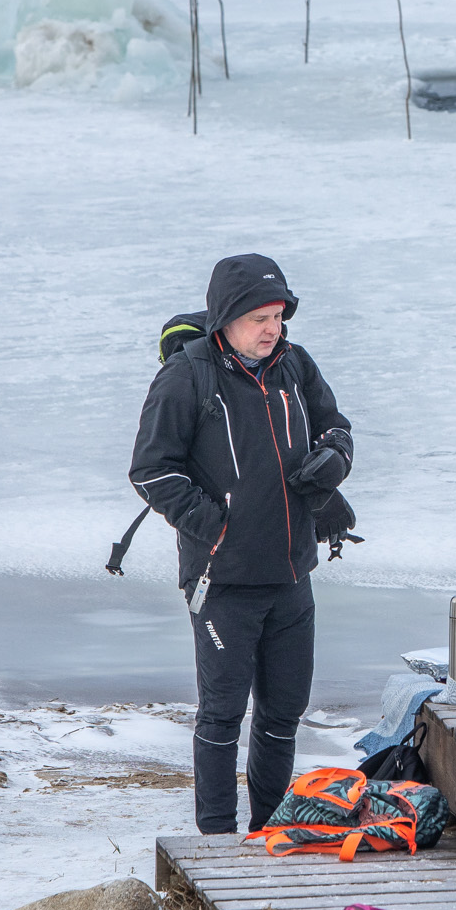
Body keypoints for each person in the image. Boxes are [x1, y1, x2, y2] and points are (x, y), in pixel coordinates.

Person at [130, 255, 353, 835]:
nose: (271, 328)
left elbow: (337, 427)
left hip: (291, 575)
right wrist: (219, 526)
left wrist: (335, 459)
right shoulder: (188, 375)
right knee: (223, 716)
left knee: (283, 715)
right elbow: (151, 470)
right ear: (225, 317)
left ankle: (271, 829)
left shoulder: (296, 364)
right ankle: (216, 840)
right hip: (223, 580)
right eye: (259, 317)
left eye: (278, 316)